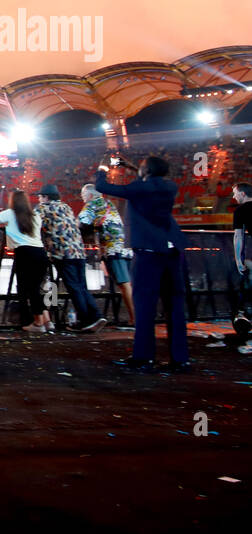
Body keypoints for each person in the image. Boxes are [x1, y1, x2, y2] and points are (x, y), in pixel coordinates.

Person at [96, 156, 189, 372]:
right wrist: (131, 167)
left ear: (145, 171)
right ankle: (180, 358)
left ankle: (144, 356)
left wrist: (102, 168)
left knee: (145, 306)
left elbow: (102, 186)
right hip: (172, 249)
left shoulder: (138, 188)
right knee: (174, 306)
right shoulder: (169, 186)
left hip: (148, 252)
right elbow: (151, 179)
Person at [35, 184, 106, 332]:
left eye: (40, 196)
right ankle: (96, 315)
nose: (39, 199)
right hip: (78, 251)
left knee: (74, 287)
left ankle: (86, 320)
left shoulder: (43, 208)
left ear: (45, 197)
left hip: (62, 252)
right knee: (81, 286)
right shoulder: (66, 207)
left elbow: (30, 222)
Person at [0, 190, 51, 333]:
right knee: (37, 288)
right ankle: (47, 321)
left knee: (27, 289)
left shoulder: (10, 213)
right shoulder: (35, 215)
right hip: (40, 252)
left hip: (24, 252)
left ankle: (38, 324)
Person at [80, 182, 135, 325]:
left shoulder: (92, 204)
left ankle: (135, 319)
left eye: (84, 195)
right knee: (129, 283)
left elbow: (80, 222)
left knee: (124, 284)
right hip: (126, 247)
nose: (83, 199)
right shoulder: (108, 203)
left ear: (90, 195)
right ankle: (138, 316)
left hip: (113, 249)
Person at [229, 183, 252, 333]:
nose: (233, 196)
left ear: (243, 194)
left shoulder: (241, 210)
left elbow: (238, 237)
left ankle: (242, 315)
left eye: (235, 193)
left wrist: (238, 260)